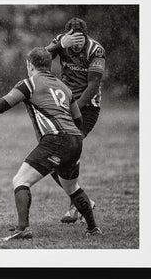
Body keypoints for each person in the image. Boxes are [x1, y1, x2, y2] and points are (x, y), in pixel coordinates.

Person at [0, 47, 102, 240]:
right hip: (75, 139)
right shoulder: (64, 87)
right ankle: (93, 228)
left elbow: (3, 105)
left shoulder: (29, 83)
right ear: (49, 65)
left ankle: (23, 228)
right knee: (72, 188)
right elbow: (78, 119)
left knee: (20, 181)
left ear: (30, 65)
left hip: (56, 139)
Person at [45, 17, 105, 223]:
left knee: (65, 153)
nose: (77, 43)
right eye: (73, 38)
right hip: (65, 106)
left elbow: (93, 85)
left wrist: (73, 110)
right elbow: (38, 60)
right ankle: (80, 201)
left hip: (87, 108)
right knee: (51, 158)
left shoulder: (95, 50)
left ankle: (77, 204)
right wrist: (60, 45)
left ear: (86, 36)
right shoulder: (61, 41)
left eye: (80, 39)